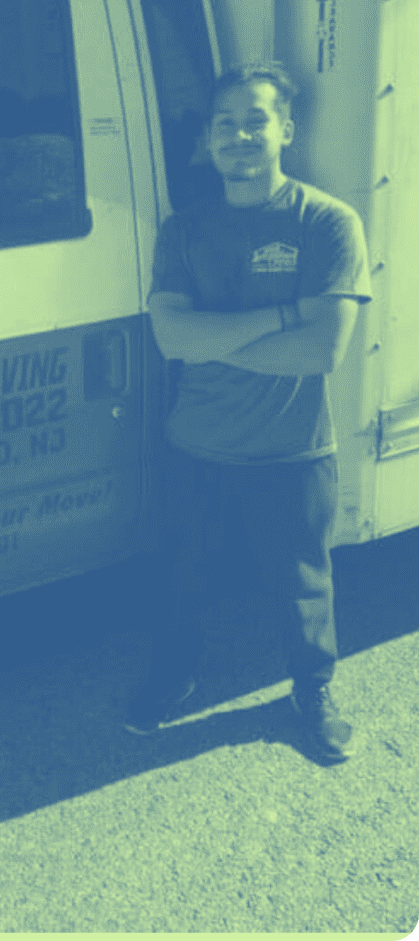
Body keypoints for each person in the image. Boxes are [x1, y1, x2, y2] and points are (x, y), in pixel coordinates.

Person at [130, 62, 371, 763]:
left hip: (294, 451)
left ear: (285, 131)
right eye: (225, 122)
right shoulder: (183, 229)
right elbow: (172, 338)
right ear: (208, 138)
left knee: (304, 584)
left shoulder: (327, 222)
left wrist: (217, 339)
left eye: (256, 119)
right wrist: (287, 313)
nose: (240, 134)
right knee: (179, 577)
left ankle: (312, 692)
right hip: (194, 449)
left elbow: (323, 351)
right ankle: (175, 678)